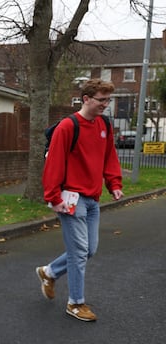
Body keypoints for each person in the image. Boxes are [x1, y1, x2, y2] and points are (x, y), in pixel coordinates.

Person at [36, 78, 123, 322]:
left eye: (108, 100)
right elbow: (53, 163)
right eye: (101, 100)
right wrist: (53, 198)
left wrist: (114, 184)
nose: (105, 104)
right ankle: (75, 303)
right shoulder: (67, 126)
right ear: (86, 99)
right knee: (79, 252)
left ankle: (50, 271)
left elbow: (109, 157)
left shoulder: (104, 125)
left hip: (93, 199)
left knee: (89, 250)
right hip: (71, 199)